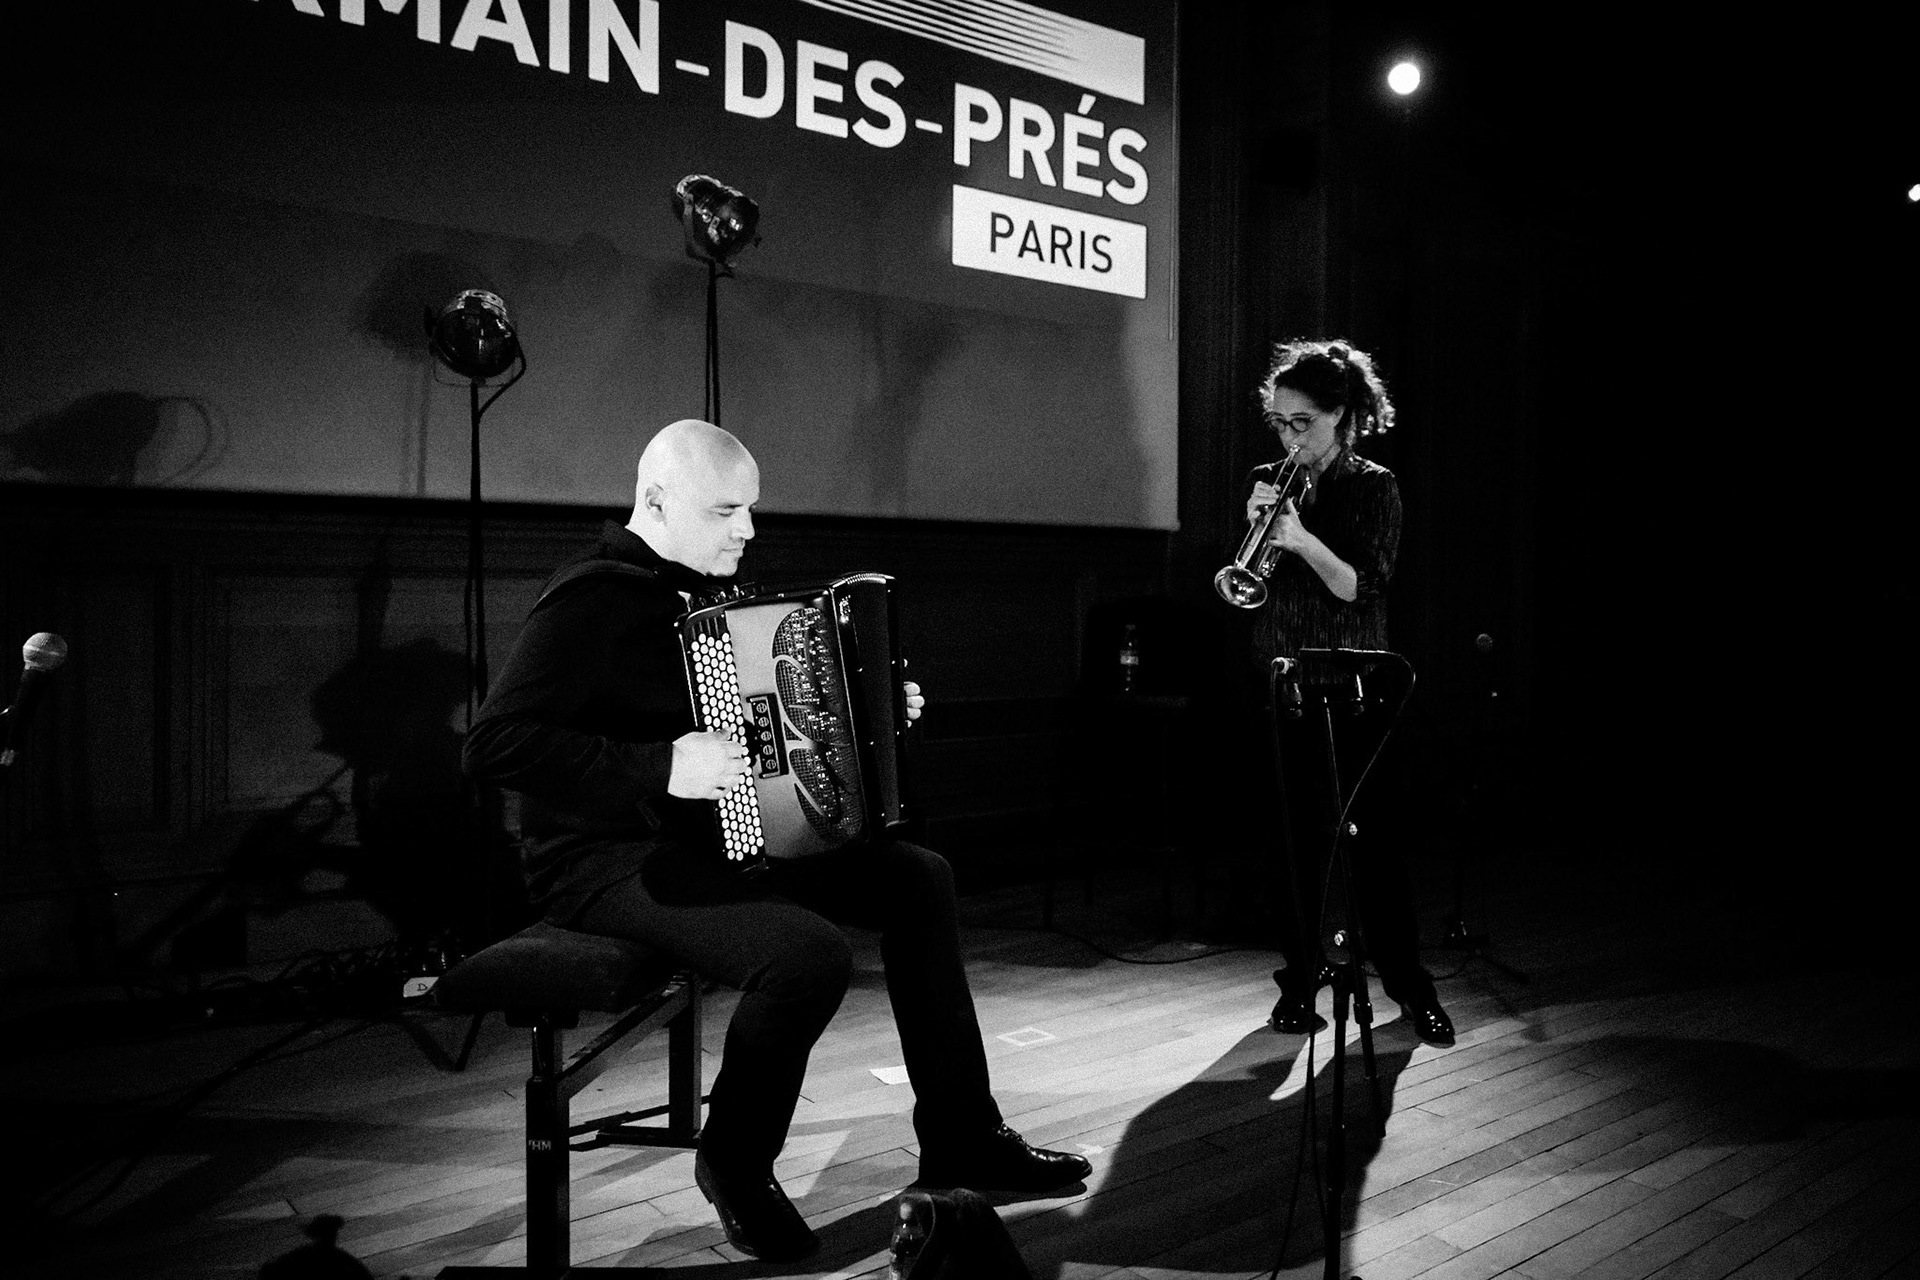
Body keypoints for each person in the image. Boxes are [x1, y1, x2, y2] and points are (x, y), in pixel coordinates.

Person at [463, 419, 1089, 1263]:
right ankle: (734, 1161)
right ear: (656, 499)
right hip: (603, 859)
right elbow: (493, 744)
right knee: (806, 955)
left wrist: (872, 718)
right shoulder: (596, 597)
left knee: (920, 879)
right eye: (727, 511)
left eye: (750, 510)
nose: (747, 530)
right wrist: (660, 767)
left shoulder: (699, 592)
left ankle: (963, 1135)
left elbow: (768, 727)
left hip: (715, 837)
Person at [1237, 340, 1454, 1047]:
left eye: (1302, 422)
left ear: (1340, 415)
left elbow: (1360, 586)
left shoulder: (1374, 485)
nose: (1289, 436)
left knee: (1374, 852)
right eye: (1279, 422)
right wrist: (1257, 532)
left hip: (1355, 691)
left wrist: (1299, 540)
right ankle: (1300, 984)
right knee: (1290, 852)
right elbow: (1253, 585)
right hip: (1286, 685)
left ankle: (1410, 988)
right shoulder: (1270, 477)